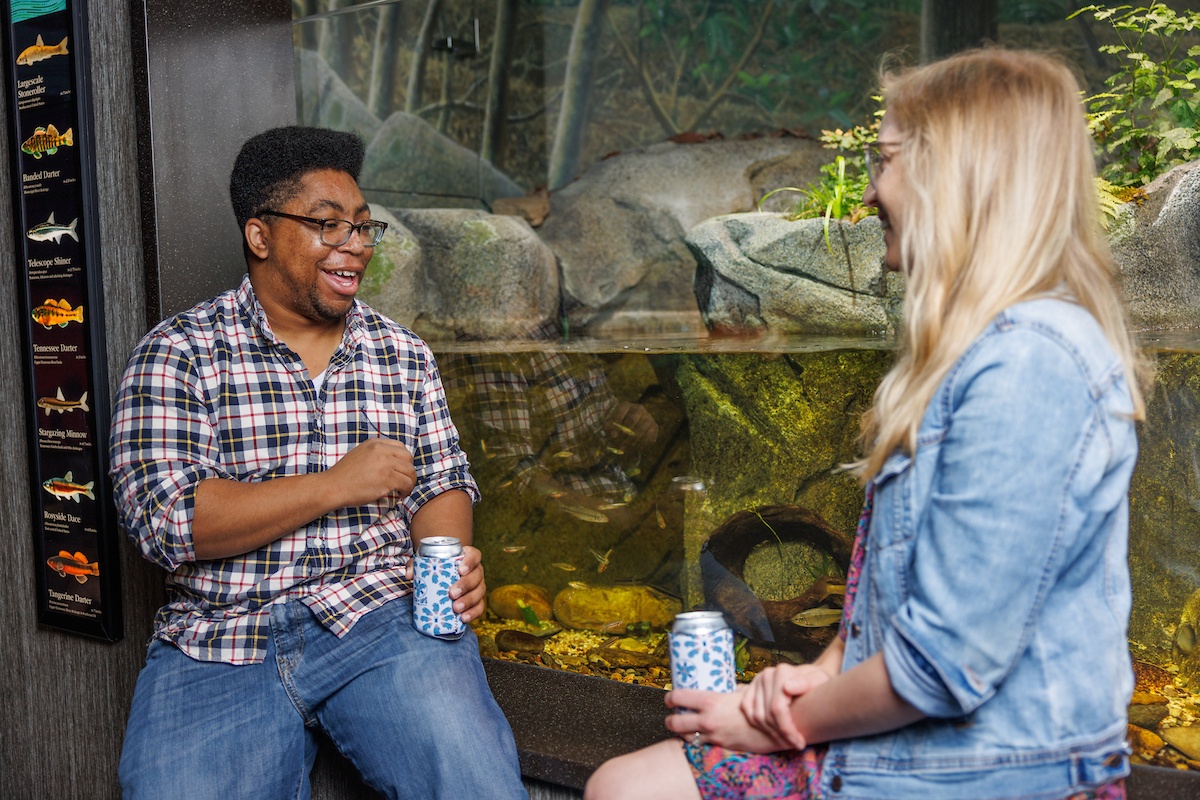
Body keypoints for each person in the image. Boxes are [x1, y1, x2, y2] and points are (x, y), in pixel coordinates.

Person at [585, 49, 1145, 800]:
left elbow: (946, 666)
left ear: (959, 175)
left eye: (884, 162)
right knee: (625, 784)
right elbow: (885, 597)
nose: (871, 195)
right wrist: (805, 679)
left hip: (984, 771)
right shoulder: (968, 355)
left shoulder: (1029, 367)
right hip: (911, 748)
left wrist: (784, 722)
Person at [110, 126, 527, 800]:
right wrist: (336, 486)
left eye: (363, 227)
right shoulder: (180, 353)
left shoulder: (403, 353)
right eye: (327, 225)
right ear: (261, 235)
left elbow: (443, 481)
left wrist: (448, 558)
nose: (354, 245)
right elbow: (170, 523)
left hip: (379, 617)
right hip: (222, 637)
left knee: (473, 778)